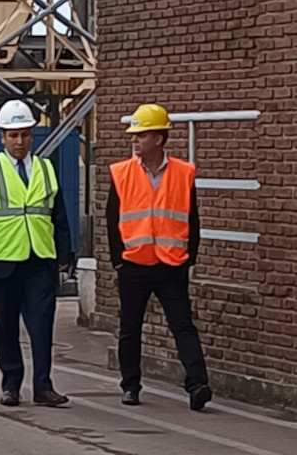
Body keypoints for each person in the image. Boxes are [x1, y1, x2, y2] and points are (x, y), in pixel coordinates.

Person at [0, 100, 72, 408]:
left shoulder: (46, 168)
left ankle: (43, 386)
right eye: (13, 135)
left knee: (42, 325)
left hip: (39, 259)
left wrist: (64, 254)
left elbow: (57, 213)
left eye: (25, 134)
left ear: (32, 135)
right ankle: (11, 385)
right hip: (1, 260)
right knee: (5, 327)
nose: (20, 141)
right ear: (3, 137)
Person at [107, 103, 211, 411]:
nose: (135, 140)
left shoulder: (183, 173)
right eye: (134, 135)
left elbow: (193, 219)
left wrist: (189, 258)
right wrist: (118, 261)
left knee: (183, 325)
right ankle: (130, 386)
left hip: (171, 264)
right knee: (130, 329)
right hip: (134, 263)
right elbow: (112, 219)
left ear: (159, 138)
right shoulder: (121, 173)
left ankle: (198, 385)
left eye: (141, 135)